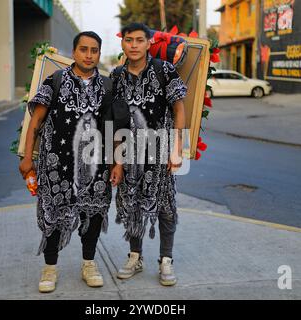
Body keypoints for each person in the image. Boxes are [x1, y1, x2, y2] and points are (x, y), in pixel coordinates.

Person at [19, 31, 123, 293]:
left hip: (97, 165)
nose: (89, 55)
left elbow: (114, 128)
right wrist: (26, 158)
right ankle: (50, 268)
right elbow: (36, 122)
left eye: (94, 50)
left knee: (94, 214)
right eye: (84, 49)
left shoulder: (109, 87)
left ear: (99, 53)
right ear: (74, 52)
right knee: (54, 214)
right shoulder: (55, 80)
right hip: (57, 165)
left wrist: (117, 162)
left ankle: (89, 264)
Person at [110, 23, 187, 286]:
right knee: (131, 206)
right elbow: (115, 121)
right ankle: (135, 256)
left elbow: (179, 108)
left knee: (165, 206)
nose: (133, 45)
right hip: (129, 154)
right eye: (128, 40)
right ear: (123, 44)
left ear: (148, 43)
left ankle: (166, 260)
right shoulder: (116, 76)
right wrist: (117, 162)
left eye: (139, 40)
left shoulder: (164, 70)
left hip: (161, 151)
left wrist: (177, 148)